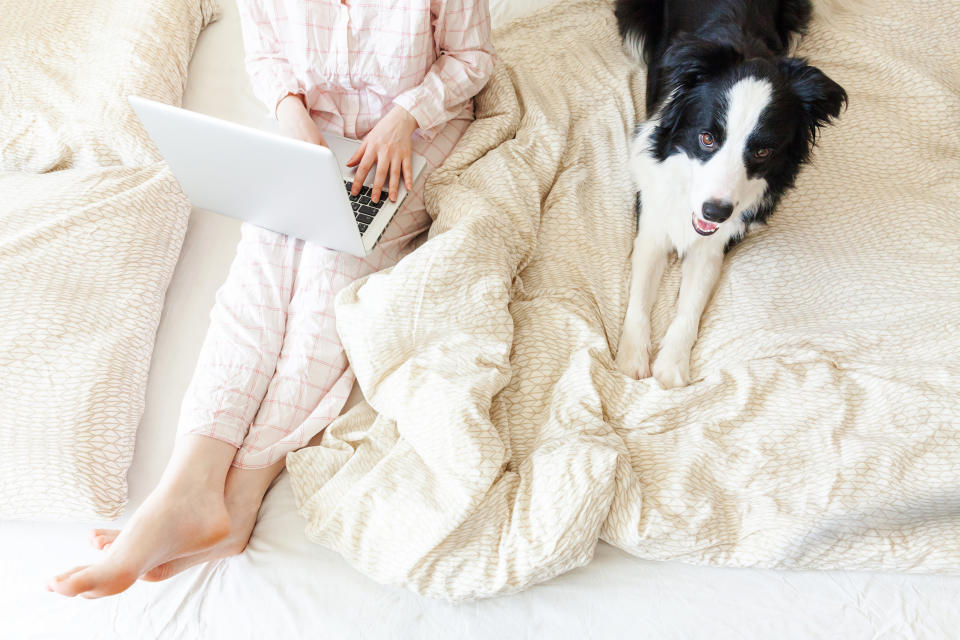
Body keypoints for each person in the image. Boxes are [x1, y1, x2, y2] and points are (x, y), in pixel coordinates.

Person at [48, 0, 494, 598]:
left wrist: (403, 118)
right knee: (257, 276)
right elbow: (263, 52)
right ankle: (186, 482)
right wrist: (293, 117)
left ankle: (240, 493)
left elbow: (473, 58)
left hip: (409, 138)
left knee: (326, 279)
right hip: (310, 135)